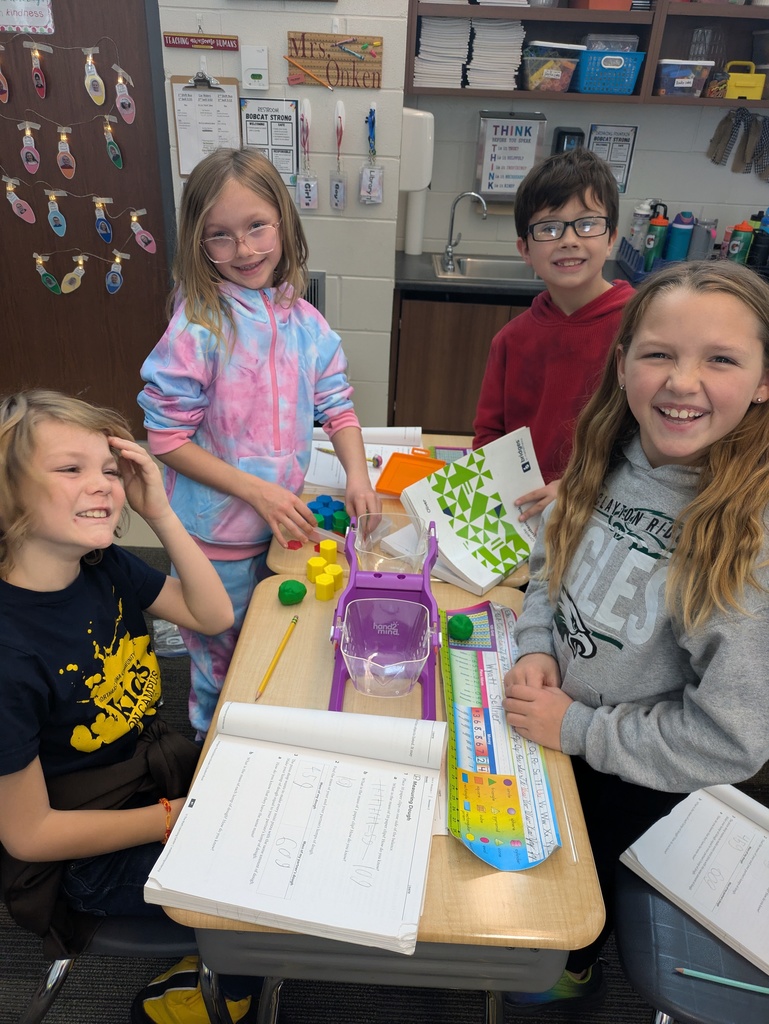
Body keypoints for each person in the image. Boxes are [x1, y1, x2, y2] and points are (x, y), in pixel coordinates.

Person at [501, 260, 769, 1011]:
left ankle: (575, 964)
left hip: (634, 778)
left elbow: (728, 742)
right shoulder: (610, 455)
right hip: (561, 735)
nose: (682, 381)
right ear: (622, 367)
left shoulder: (750, 542)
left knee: (575, 906)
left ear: (762, 381)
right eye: (658, 354)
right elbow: (551, 563)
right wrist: (533, 647)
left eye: (719, 359)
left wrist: (576, 726)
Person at [0, 390, 257, 1022]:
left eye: (110, 469)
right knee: (262, 877)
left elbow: (212, 613)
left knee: (280, 777)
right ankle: (223, 988)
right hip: (87, 853)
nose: (104, 485)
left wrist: (162, 516)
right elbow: (29, 834)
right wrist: (170, 820)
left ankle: (227, 966)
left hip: (149, 782)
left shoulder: (102, 565)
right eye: (72, 469)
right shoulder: (10, 653)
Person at [138, 147, 380, 737]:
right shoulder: (198, 326)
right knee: (218, 662)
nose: (244, 250)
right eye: (220, 236)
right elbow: (165, 439)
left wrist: (357, 475)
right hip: (215, 536)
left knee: (269, 645)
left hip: (279, 530)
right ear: (199, 243)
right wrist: (257, 491)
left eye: (256, 227)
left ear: (284, 225)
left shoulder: (303, 320)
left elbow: (338, 406)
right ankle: (206, 748)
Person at [472, 147, 634, 523]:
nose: (569, 240)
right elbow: (489, 434)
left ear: (611, 238)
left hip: (602, 509)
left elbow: (650, 438)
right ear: (524, 249)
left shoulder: (641, 326)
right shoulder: (511, 339)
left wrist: (579, 485)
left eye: (587, 223)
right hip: (523, 511)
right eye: (549, 227)